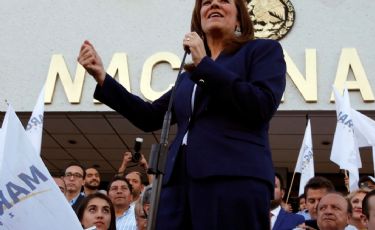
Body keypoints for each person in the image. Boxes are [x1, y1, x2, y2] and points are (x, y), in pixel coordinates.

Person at [77, 0, 286, 228]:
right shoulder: (188, 77)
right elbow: (149, 116)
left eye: (223, 0)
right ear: (199, 18)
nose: (213, 4)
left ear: (239, 18)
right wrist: (102, 78)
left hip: (232, 180)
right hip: (177, 185)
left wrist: (205, 64)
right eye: (206, 2)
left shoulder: (261, 50)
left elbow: (261, 105)